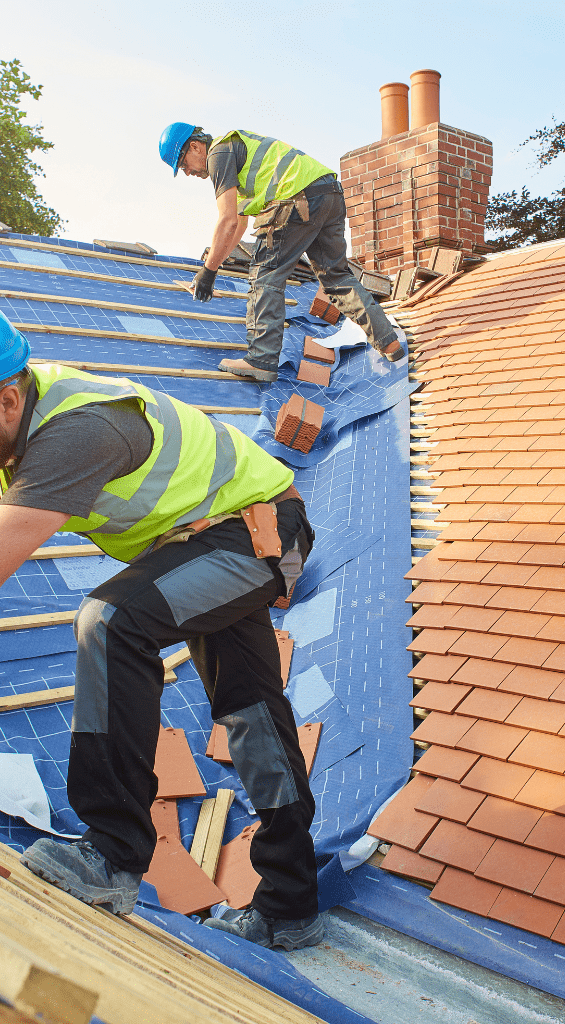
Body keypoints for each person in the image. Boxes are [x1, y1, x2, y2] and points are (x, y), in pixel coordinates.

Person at [0, 312, 324, 950]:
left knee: (112, 620)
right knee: (252, 711)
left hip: (260, 533)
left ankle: (112, 856)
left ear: (8, 398)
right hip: (205, 539)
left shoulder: (78, 432)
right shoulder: (10, 428)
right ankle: (291, 906)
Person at [158, 122, 405, 382]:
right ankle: (389, 342)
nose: (187, 173)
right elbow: (238, 224)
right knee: (336, 278)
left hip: (296, 197)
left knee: (266, 274)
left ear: (195, 146)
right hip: (328, 192)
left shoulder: (218, 155)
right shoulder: (237, 156)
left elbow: (226, 219)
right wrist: (213, 268)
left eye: (183, 164)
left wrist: (207, 272)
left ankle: (261, 359)